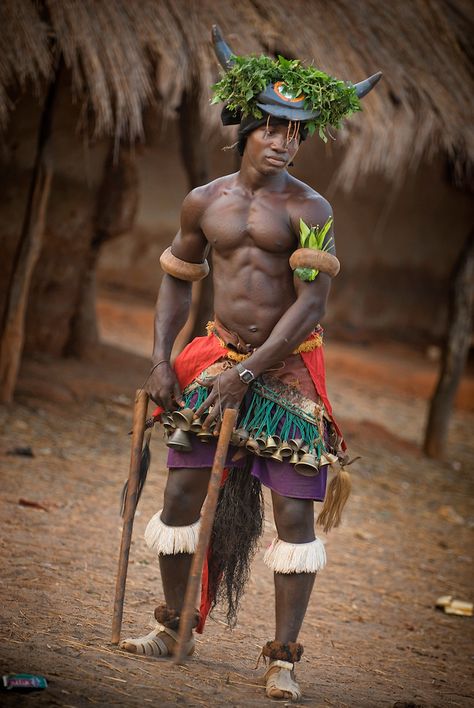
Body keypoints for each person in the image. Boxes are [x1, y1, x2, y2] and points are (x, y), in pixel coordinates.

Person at [120, 27, 381, 701]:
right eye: (272, 127)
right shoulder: (204, 200)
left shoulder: (311, 210)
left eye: (296, 132)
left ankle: (282, 659)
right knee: (178, 496)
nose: (284, 141)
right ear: (246, 124)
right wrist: (161, 360)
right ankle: (175, 628)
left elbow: (310, 306)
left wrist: (252, 371)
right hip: (218, 360)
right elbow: (179, 277)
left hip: (285, 372)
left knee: (295, 516)